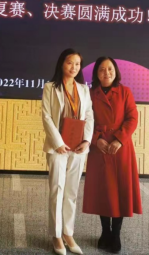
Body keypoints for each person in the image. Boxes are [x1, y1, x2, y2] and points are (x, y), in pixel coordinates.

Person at [83, 56, 142, 254]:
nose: (106, 73)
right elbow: (84, 120)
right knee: (103, 191)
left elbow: (132, 118)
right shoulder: (90, 94)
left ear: (115, 71)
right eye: (101, 69)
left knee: (120, 191)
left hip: (120, 149)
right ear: (96, 73)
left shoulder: (125, 92)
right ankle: (105, 232)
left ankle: (116, 234)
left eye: (110, 69)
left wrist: (119, 139)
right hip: (99, 148)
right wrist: (96, 138)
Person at [42, 48, 94, 255]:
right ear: (62, 64)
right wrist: (58, 142)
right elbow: (46, 116)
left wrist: (87, 140)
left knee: (72, 191)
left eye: (77, 64)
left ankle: (68, 233)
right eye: (70, 62)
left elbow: (89, 115)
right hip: (58, 147)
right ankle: (56, 236)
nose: (74, 67)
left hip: (78, 146)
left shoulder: (83, 89)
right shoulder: (50, 87)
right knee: (57, 189)